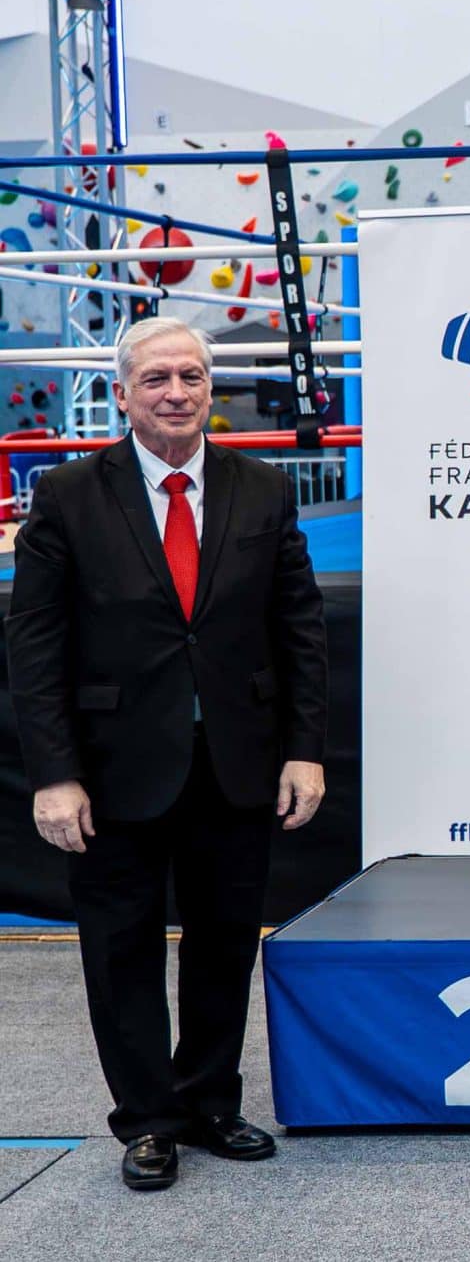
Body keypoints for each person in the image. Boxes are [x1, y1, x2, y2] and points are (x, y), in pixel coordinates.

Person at [7, 317, 328, 1191]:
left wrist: (304, 750)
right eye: (157, 379)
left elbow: (299, 630)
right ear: (122, 394)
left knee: (224, 941)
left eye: (190, 376)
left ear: (209, 388)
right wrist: (54, 774)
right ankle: (148, 1119)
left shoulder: (263, 488)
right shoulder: (68, 495)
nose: (177, 393)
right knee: (122, 950)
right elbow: (34, 647)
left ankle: (211, 1101)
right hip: (111, 768)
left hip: (238, 759)